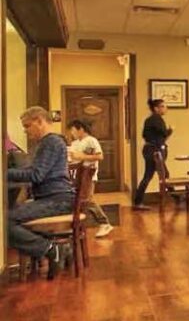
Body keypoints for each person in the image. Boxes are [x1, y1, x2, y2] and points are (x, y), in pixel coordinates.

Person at [8, 107, 74, 279]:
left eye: (27, 126)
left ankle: (50, 249)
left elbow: (36, 175)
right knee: (11, 217)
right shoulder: (48, 142)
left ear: (40, 121)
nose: (25, 130)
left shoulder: (50, 142)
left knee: (5, 221)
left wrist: (4, 172)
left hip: (58, 200)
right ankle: (55, 248)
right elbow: (36, 171)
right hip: (54, 198)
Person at [67, 119, 113, 238]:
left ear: (80, 129)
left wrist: (81, 156)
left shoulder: (91, 141)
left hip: (88, 174)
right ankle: (79, 226)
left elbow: (100, 156)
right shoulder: (75, 143)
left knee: (87, 199)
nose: (72, 133)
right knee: (82, 200)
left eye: (73, 130)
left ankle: (104, 222)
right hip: (76, 174)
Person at [133, 99, 173, 210]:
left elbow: (148, 135)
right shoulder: (156, 119)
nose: (165, 108)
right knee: (159, 175)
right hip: (154, 151)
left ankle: (173, 197)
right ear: (156, 108)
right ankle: (173, 198)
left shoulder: (150, 119)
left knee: (158, 175)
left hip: (149, 149)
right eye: (163, 106)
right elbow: (164, 134)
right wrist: (170, 130)